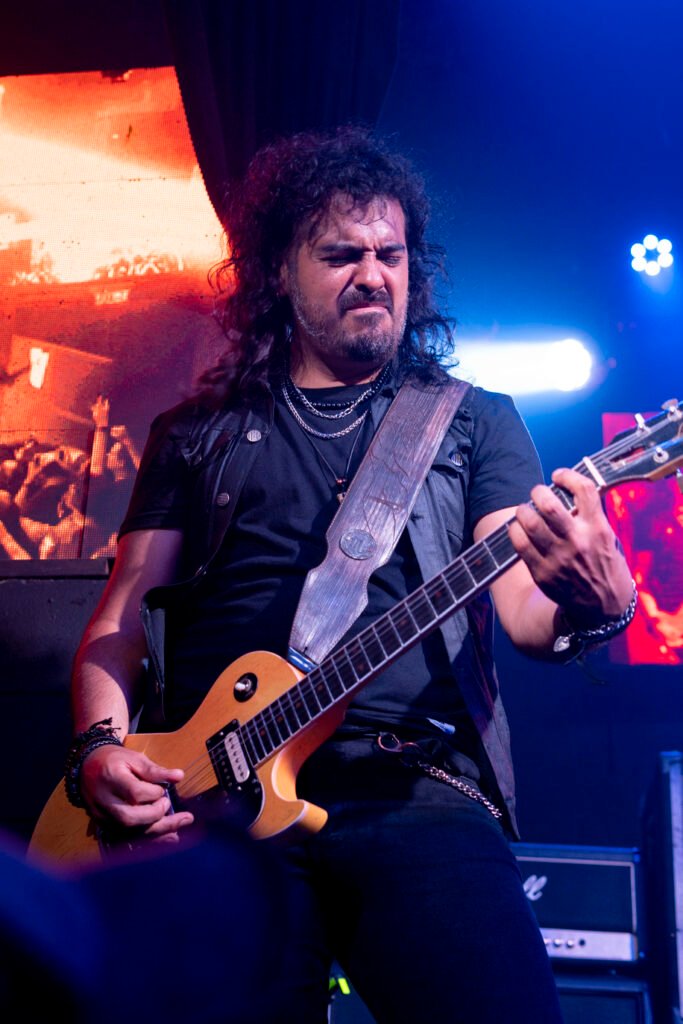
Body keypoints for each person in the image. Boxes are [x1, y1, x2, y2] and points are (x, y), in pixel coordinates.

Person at [67, 127, 634, 1023]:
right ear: (280, 273)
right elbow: (119, 620)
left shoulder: (473, 423)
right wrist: (99, 748)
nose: (373, 274)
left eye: (389, 255)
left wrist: (596, 605)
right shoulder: (197, 433)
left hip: (411, 785)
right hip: (207, 797)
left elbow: (526, 614)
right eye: (341, 255)